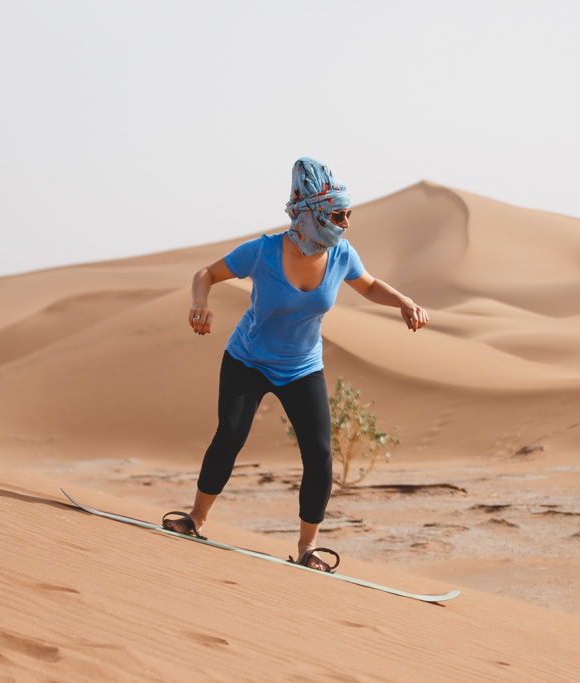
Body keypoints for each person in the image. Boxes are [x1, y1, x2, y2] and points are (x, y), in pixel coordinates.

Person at [162, 157, 429, 572]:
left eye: (348, 214)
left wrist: (404, 302)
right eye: (338, 214)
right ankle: (196, 518)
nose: (345, 223)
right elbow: (205, 274)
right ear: (312, 214)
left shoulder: (341, 254)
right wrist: (200, 303)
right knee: (231, 435)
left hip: (302, 367)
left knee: (319, 454)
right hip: (247, 359)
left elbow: (370, 285)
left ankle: (308, 548)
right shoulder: (263, 251)